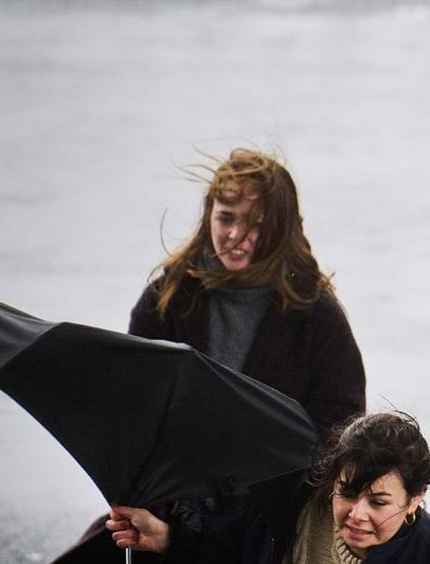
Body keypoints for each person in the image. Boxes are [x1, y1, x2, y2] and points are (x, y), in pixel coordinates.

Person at [53, 148, 366, 564]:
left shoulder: (316, 316)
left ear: (282, 229)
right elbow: (130, 410)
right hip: (170, 505)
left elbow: (342, 427)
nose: (237, 236)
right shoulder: (166, 300)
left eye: (258, 224)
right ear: (208, 216)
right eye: (226, 218)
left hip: (268, 521)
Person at [107, 411, 430, 564]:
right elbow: (229, 545)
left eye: (379, 502)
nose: (357, 515)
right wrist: (167, 538)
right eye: (348, 493)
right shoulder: (286, 505)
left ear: (415, 500)